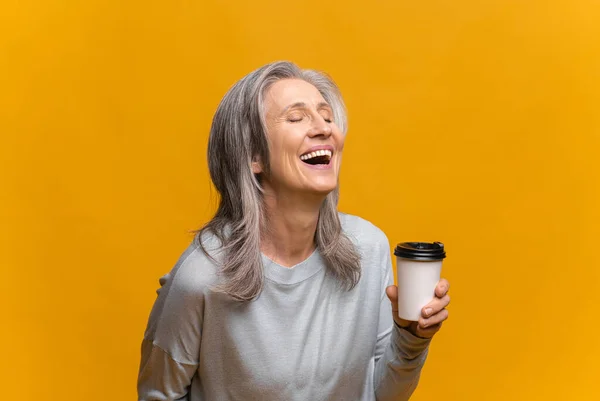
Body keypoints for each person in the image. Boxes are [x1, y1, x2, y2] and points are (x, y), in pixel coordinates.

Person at [137, 61, 450, 401]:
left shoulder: (370, 249)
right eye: (297, 118)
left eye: (327, 117)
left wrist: (411, 337)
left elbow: (380, 395)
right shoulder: (202, 276)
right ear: (253, 155)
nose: (324, 129)